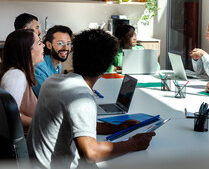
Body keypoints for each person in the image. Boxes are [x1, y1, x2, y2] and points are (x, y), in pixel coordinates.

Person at [27, 29, 155, 168]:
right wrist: (133, 144)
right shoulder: (81, 98)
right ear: (106, 67)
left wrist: (116, 128)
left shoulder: (53, 80)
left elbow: (77, 124)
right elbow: (91, 153)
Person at [0, 29, 44, 132]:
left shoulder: (21, 74)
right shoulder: (16, 76)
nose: (43, 46)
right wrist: (41, 124)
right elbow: (10, 115)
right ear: (26, 50)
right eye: (39, 43)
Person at [32, 25, 73, 97]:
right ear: (49, 45)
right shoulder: (38, 68)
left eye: (68, 43)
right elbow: (48, 97)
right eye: (60, 43)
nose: (66, 47)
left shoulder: (58, 65)